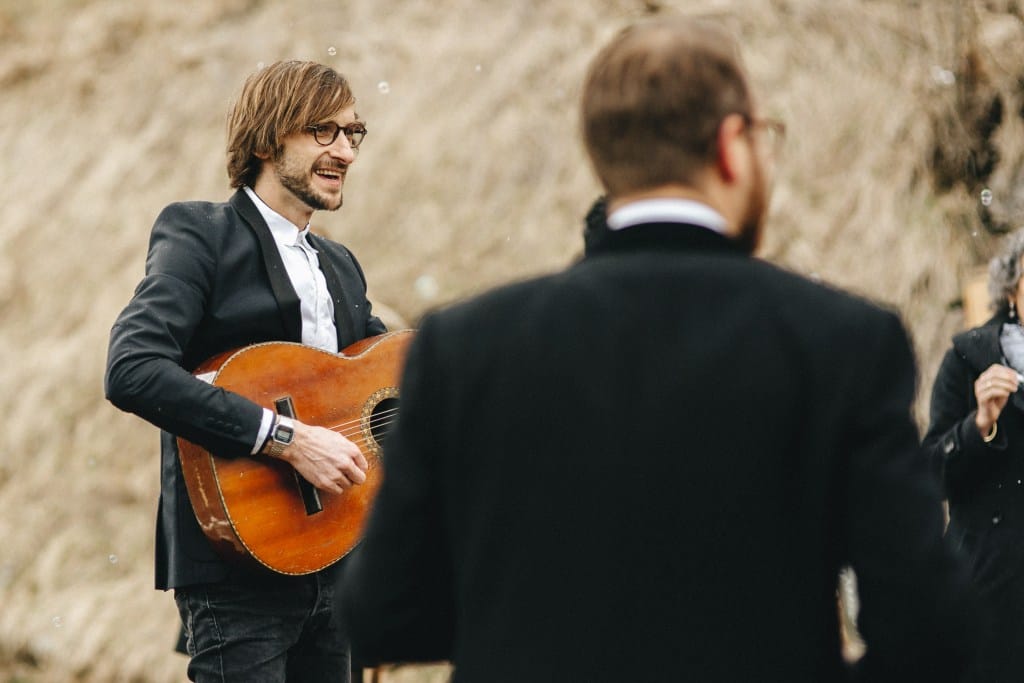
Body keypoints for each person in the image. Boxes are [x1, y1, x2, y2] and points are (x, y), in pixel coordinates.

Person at [337, 16, 977, 683]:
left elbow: (385, 611)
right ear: (732, 144)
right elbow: (931, 627)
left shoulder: (463, 345)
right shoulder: (844, 342)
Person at [105, 60, 386, 682]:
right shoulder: (200, 234)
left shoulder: (341, 265)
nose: (345, 151)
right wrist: (287, 438)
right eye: (324, 131)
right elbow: (133, 367)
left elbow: (385, 392)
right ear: (265, 140)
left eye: (353, 133)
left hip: (338, 569)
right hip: (237, 571)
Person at [923, 227, 1024, 682]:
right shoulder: (968, 359)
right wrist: (978, 424)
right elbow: (929, 474)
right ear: (1012, 290)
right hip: (991, 595)